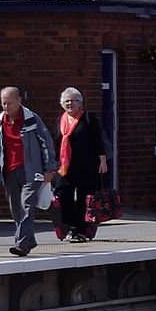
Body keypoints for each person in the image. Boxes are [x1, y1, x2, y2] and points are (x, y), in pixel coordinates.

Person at [0, 86, 57, 257]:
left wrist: (50, 168)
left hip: (31, 170)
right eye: (3, 103)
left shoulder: (32, 119)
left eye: (9, 103)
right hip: (9, 170)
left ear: (19, 101)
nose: (6, 107)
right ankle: (29, 239)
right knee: (16, 208)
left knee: (27, 205)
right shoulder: (0, 121)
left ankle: (21, 244)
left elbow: (46, 143)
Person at [49, 87, 110, 242]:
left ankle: (81, 230)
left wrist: (102, 160)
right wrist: (52, 164)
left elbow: (98, 140)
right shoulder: (60, 120)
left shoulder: (89, 118)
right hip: (65, 166)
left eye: (74, 100)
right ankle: (70, 227)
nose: (70, 103)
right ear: (62, 103)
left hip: (87, 165)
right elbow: (56, 142)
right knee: (63, 195)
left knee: (85, 198)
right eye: (67, 101)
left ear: (80, 103)